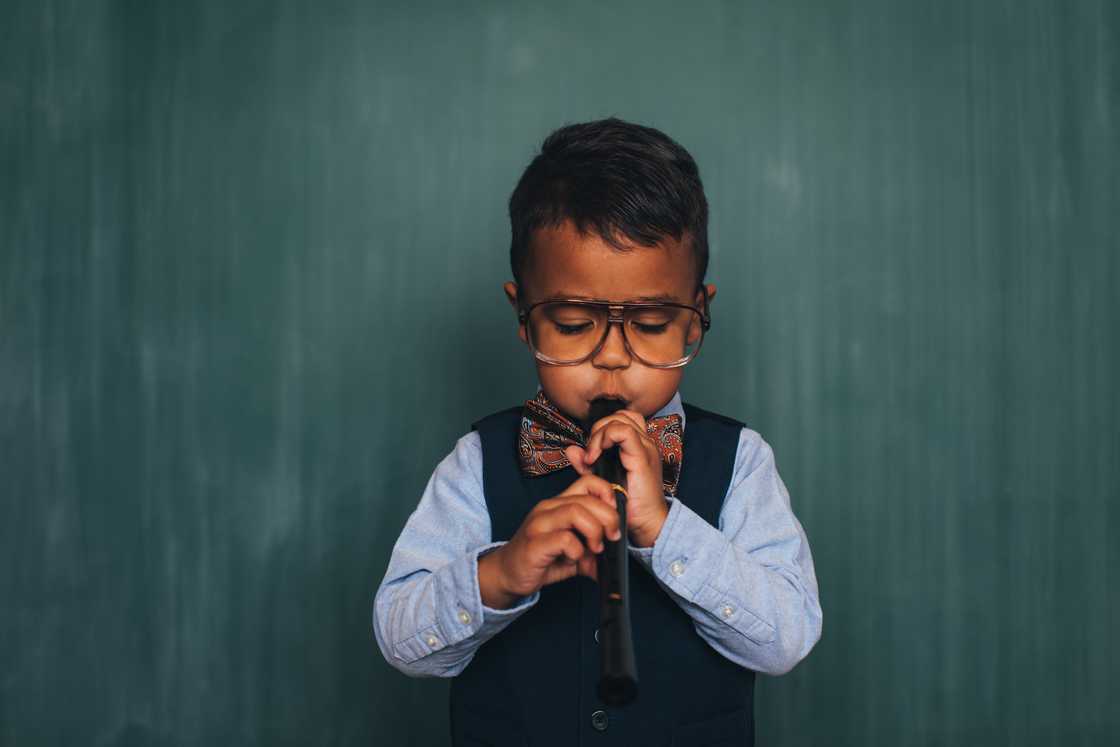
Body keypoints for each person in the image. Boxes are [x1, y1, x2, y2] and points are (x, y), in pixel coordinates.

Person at [373, 117, 822, 746]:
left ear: (696, 319)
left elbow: (787, 639)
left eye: (653, 323)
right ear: (524, 319)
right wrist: (501, 573)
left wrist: (665, 527)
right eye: (574, 324)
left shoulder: (742, 462)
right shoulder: (477, 461)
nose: (612, 357)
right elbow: (400, 639)